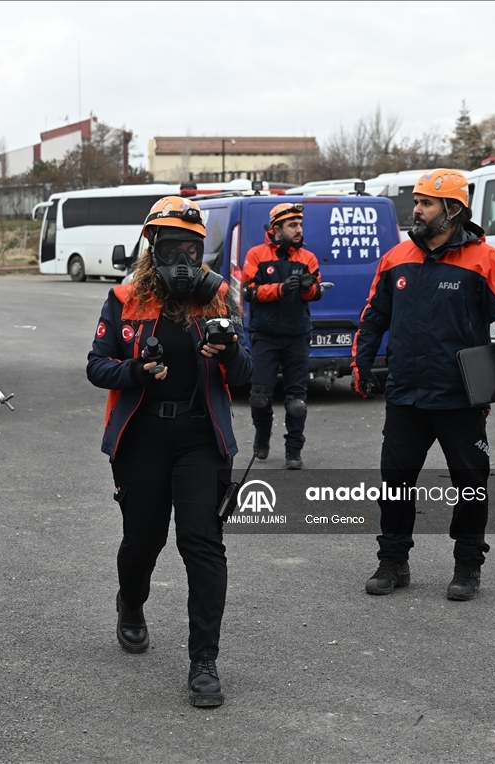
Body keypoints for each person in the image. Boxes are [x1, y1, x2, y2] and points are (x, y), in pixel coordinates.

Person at [86, 196, 252, 707]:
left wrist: (229, 352)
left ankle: (204, 661)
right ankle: (131, 605)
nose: (184, 260)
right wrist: (135, 370)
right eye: (173, 248)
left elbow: (246, 380)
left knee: (201, 543)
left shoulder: (218, 296)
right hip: (143, 439)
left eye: (192, 249)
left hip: (201, 438)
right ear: (151, 247)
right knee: (143, 541)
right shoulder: (124, 298)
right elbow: (97, 366)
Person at [350, 169, 495, 601]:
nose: (416, 210)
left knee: (470, 484)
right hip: (406, 396)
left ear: (452, 210)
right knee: (395, 483)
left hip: (459, 398)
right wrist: (361, 367)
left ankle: (468, 566)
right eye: (415, 201)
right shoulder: (396, 258)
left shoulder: (485, 259)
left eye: (426, 203)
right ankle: (393, 562)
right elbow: (372, 317)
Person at [240, 202, 324, 469]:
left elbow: (317, 293)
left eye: (300, 224)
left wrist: (309, 289)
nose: (299, 229)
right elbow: (248, 292)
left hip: (297, 334)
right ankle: (262, 435)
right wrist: (280, 289)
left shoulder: (307, 258)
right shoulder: (256, 254)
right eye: (293, 225)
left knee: (297, 400)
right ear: (277, 229)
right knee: (260, 396)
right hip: (265, 334)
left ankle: (293, 450)